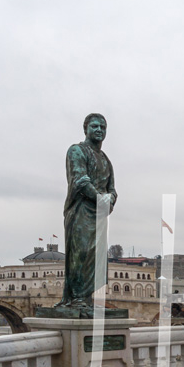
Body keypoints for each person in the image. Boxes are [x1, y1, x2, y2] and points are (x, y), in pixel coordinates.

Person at [57, 113, 117, 309]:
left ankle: (88, 298)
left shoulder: (106, 160)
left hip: (99, 214)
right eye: (95, 126)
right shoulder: (76, 151)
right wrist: (102, 199)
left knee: (97, 258)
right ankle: (76, 298)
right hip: (81, 210)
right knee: (80, 253)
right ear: (86, 129)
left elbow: (112, 189)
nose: (99, 130)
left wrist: (110, 200)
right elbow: (81, 180)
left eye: (102, 127)